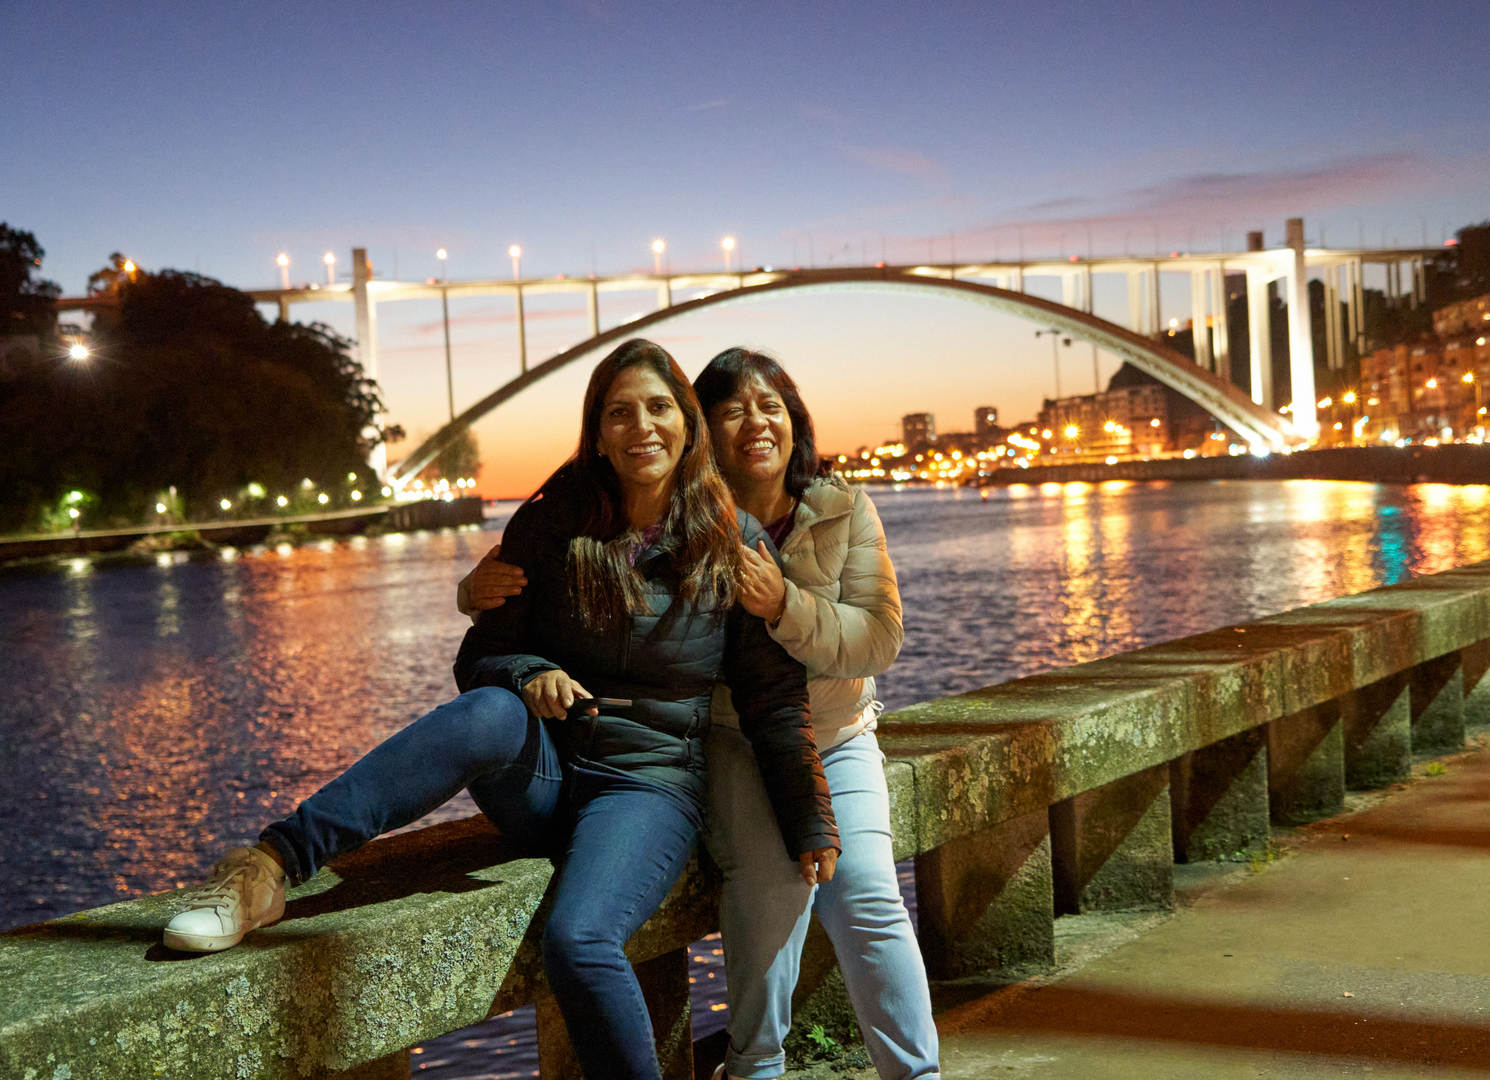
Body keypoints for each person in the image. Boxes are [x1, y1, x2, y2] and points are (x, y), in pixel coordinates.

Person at [166, 339, 839, 1080]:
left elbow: (773, 700)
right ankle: (266, 868)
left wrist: (809, 817)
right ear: (598, 432)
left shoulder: (732, 543)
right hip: (548, 768)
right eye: (619, 413)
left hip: (648, 784)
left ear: (686, 424)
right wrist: (530, 674)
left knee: (579, 944)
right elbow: (479, 657)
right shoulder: (551, 527)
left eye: (658, 408)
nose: (640, 427)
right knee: (489, 709)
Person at [461, 347, 938, 1080]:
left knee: (869, 894)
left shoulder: (842, 508)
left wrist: (784, 604)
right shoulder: (680, 518)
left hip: (835, 738)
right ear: (703, 429)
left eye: (771, 406)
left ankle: (917, 1074)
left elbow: (878, 638)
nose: (757, 423)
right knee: (771, 885)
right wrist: (476, 594)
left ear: (794, 419)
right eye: (733, 410)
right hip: (724, 736)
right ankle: (755, 1065)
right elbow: (561, 587)